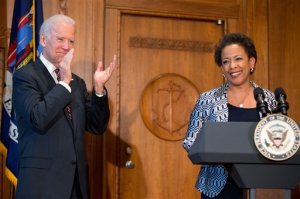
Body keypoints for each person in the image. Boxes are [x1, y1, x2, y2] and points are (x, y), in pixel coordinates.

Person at [12, 14, 116, 199]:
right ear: (43, 39)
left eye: (71, 41)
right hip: (42, 185)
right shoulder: (25, 76)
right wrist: (64, 83)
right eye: (61, 39)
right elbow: (38, 118)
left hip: (76, 186)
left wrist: (99, 89)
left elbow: (97, 126)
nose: (67, 47)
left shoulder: (78, 83)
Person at [183, 33, 277, 198]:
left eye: (238, 59)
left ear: (251, 62)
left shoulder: (269, 100)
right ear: (222, 67)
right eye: (226, 61)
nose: (232, 66)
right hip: (218, 187)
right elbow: (190, 142)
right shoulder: (207, 100)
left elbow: (281, 142)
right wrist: (216, 151)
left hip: (261, 186)